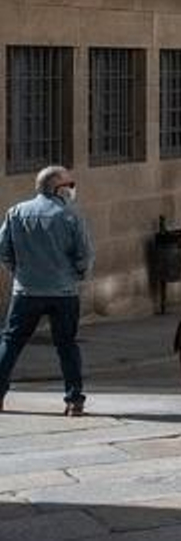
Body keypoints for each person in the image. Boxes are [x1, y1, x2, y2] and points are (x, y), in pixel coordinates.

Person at [0, 166, 93, 415]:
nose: (73, 190)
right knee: (66, 345)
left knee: (10, 342)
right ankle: (74, 400)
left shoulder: (16, 212)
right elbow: (84, 255)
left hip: (26, 290)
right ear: (57, 188)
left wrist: (20, 273)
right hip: (63, 291)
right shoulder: (70, 216)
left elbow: (4, 250)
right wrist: (77, 275)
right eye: (70, 185)